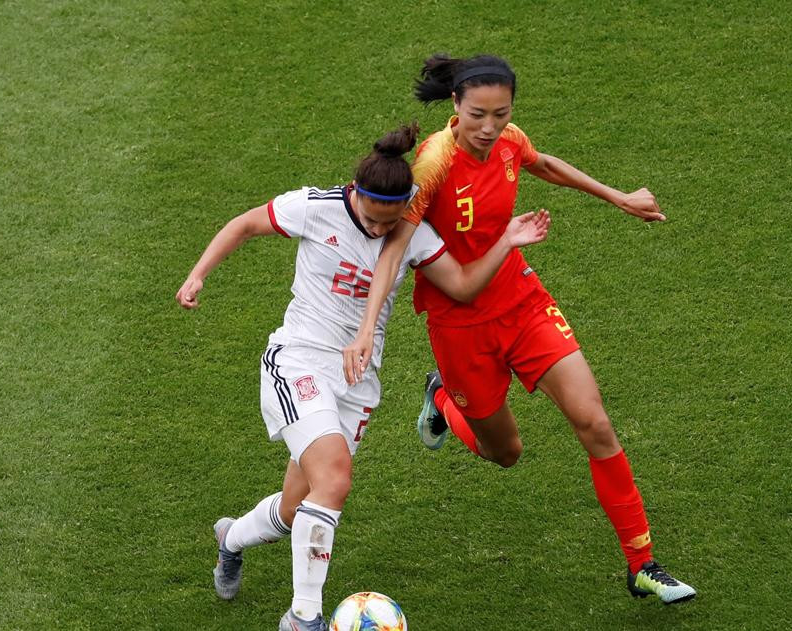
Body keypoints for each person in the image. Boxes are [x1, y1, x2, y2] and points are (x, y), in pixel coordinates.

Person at [341, 54, 696, 605]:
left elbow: (543, 163)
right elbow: (395, 247)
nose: (489, 128)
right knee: (504, 453)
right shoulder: (434, 162)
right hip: (460, 326)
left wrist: (619, 197)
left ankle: (642, 562)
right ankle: (443, 396)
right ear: (455, 107)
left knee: (594, 421)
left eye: (501, 114)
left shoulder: (509, 140)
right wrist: (366, 328)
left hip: (522, 302)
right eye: (478, 114)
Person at [175, 123, 550, 631]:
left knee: (295, 510)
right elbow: (243, 225)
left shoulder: (411, 231)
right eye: (371, 220)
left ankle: (230, 539)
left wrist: (507, 241)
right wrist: (198, 274)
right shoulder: (315, 206)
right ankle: (303, 617)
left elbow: (461, 286)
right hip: (300, 359)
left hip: (357, 381)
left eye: (388, 223)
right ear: (355, 194)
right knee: (334, 480)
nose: (378, 231)